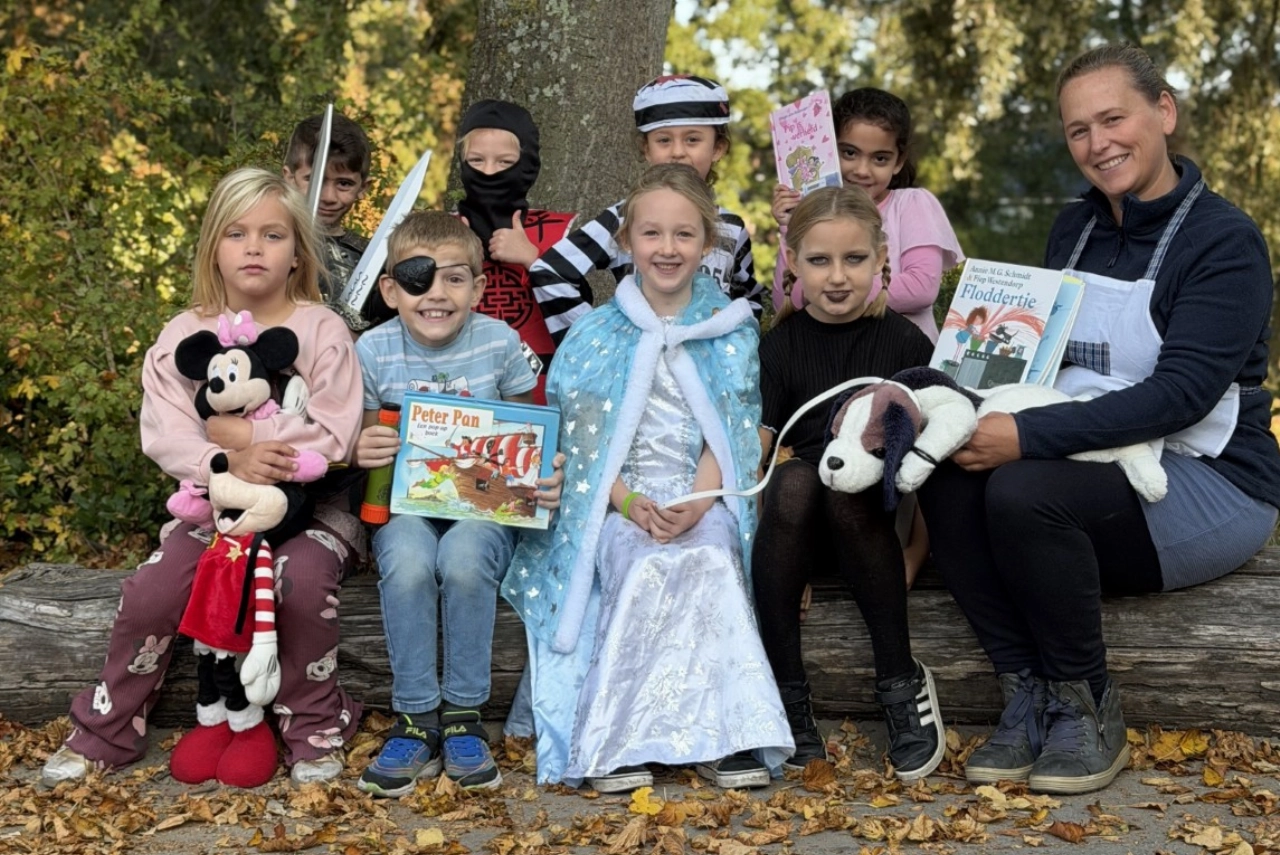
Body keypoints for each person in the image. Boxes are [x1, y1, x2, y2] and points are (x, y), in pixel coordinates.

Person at [917, 43, 1280, 795]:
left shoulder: (1224, 241)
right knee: (948, 473)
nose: (1098, 143)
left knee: (1023, 491)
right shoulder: (1072, 230)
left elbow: (1180, 395)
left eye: (1114, 118)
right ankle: (1027, 690)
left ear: (1164, 112)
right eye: (1078, 130)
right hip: (1088, 456)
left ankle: (1087, 703)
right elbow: (1041, 363)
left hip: (1206, 479)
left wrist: (1024, 435)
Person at [41, 167, 365, 786]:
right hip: (216, 503)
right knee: (155, 591)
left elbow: (335, 431)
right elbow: (166, 431)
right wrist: (223, 463)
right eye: (236, 233)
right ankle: (108, 729)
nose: (253, 247)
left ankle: (317, 726)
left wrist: (253, 439)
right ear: (213, 247)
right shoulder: (184, 333)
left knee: (297, 584)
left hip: (314, 506)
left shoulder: (323, 330)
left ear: (299, 251)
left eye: (272, 235)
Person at [502, 163, 792, 793]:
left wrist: (699, 499)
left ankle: (728, 735)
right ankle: (616, 739)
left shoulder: (732, 329)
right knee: (640, 566)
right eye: (652, 234)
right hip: (615, 504)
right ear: (627, 242)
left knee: (712, 557)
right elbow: (582, 451)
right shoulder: (595, 334)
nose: (667, 249)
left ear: (707, 243)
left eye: (684, 235)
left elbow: (733, 434)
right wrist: (629, 503)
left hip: (701, 494)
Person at [353, 212, 564, 795]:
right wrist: (362, 445)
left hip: (487, 508)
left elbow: (534, 429)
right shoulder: (373, 351)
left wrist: (548, 469)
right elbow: (365, 442)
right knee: (411, 561)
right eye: (419, 280)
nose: (436, 294)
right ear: (391, 290)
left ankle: (465, 715)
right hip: (407, 506)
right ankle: (416, 716)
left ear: (477, 287)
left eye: (453, 279)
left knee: (466, 562)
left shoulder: (499, 343)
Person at [753, 186, 944, 781]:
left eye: (854, 259)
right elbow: (756, 454)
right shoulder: (780, 345)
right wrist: (766, 544)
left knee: (846, 488)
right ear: (793, 262)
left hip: (872, 525)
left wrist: (917, 549)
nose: (837, 277)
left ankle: (899, 679)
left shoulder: (905, 343)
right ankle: (786, 700)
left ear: (882, 257)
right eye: (819, 261)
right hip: (793, 532)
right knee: (793, 484)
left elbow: (937, 454)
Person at [527, 73, 765, 342]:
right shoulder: (625, 216)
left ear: (718, 148)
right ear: (646, 149)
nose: (677, 152)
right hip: (637, 373)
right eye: (664, 140)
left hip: (708, 375)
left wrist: (737, 346)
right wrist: (599, 341)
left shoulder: (731, 227)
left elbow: (750, 301)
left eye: (692, 140)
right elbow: (550, 272)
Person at [772, 87, 963, 343]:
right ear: (827, 150)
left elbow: (921, 288)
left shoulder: (911, 205)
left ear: (898, 161)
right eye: (849, 153)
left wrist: (829, 290)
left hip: (904, 361)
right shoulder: (817, 215)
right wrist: (790, 227)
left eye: (880, 159)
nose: (862, 170)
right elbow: (787, 301)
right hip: (834, 362)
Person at [454, 99, 577, 404]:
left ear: (528, 163)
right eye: (477, 161)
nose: (490, 172)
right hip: (458, 390)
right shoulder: (444, 232)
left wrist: (534, 260)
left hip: (543, 392)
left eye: (505, 163)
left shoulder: (556, 233)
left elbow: (582, 317)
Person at [283, 111, 394, 330]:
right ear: (289, 178)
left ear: (363, 188)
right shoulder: (266, 245)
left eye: (344, 183)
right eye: (313, 179)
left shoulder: (373, 259)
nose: (328, 197)